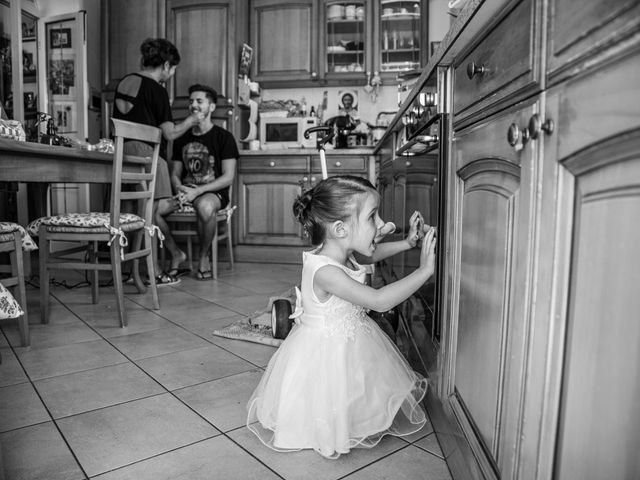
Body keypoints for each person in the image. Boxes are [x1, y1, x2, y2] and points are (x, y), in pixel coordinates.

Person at [247, 175, 436, 459]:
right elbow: (379, 300)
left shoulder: (343, 253)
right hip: (325, 351)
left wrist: (408, 243)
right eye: (373, 217)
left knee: (355, 387)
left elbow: (371, 257)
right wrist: (423, 272)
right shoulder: (326, 272)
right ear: (339, 228)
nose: (381, 224)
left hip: (347, 339)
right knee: (328, 394)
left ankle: (354, 418)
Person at [112, 37, 203, 285]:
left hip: (122, 156)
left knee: (132, 213)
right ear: (165, 65)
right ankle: (152, 273)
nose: (171, 74)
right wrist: (190, 121)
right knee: (149, 217)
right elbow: (170, 133)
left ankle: (134, 272)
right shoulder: (157, 90)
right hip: (148, 158)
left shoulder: (125, 82)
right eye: (172, 69)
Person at [163, 84, 239, 280]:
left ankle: (203, 256)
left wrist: (197, 192)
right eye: (191, 102)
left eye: (199, 101)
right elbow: (175, 173)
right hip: (185, 191)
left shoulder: (224, 138)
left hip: (213, 192)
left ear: (211, 107)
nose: (194, 105)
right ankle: (176, 253)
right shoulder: (181, 138)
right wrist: (179, 187)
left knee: (205, 207)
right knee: (153, 210)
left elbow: (228, 177)